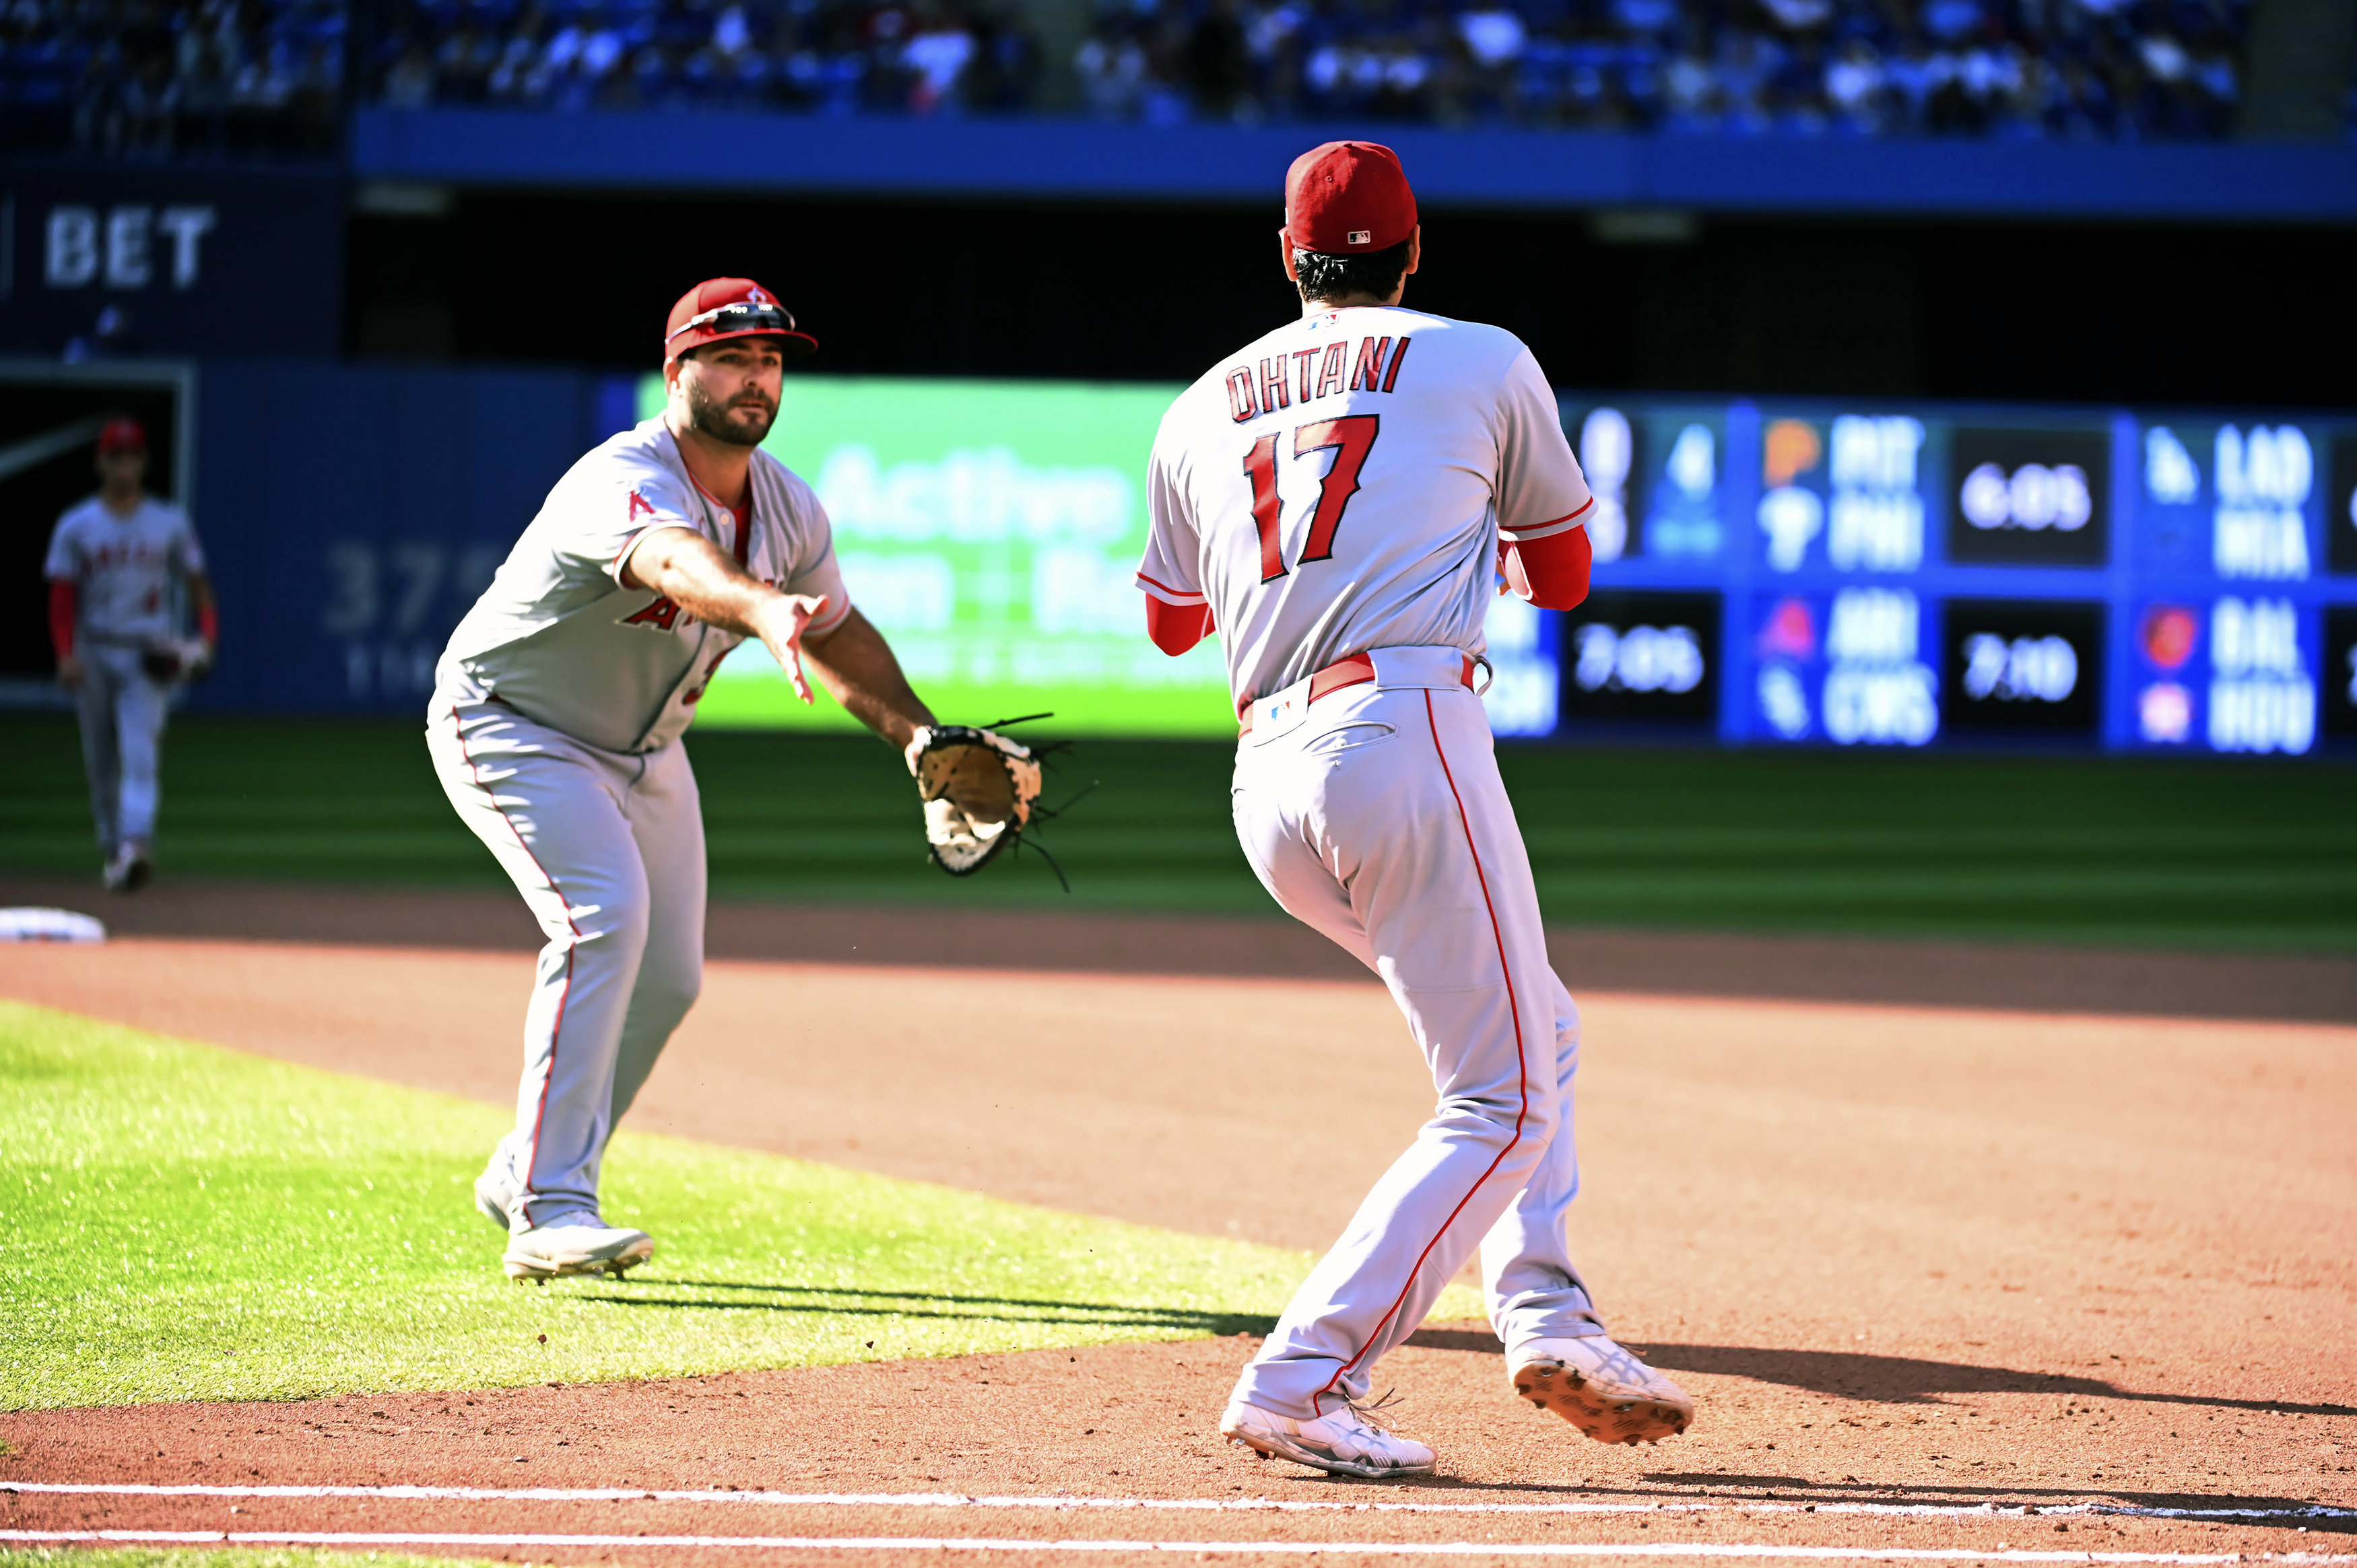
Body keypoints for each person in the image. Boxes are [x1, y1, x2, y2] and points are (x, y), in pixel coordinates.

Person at [1135, 141, 1694, 1479]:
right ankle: (1303, 1374)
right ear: (1413, 249)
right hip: (1396, 731)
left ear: (1288, 258)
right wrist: (1462, 535)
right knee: (1500, 1098)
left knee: (1534, 1034)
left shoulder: (1199, 405)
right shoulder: (1480, 357)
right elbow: (1563, 575)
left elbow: (1166, 625)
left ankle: (1546, 1308)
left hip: (1262, 779)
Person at [428, 278, 942, 1283]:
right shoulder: (621, 475)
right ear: (677, 372)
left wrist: (923, 742)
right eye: (732, 356)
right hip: (514, 723)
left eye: (772, 358)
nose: (757, 376)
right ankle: (550, 1206)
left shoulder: (789, 506)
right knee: (601, 919)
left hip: (647, 750)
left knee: (669, 977)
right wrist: (760, 608)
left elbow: (836, 632)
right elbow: (673, 560)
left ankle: (520, 1167)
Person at [44, 415, 218, 893]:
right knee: (100, 760)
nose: (125, 463)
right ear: (102, 462)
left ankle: (135, 844)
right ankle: (113, 849)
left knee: (140, 755)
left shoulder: (169, 521)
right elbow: (62, 597)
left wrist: (205, 636)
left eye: (132, 454)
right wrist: (65, 653)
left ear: (144, 461)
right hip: (94, 649)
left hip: (147, 653)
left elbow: (198, 584)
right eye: (116, 454)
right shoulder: (76, 524)